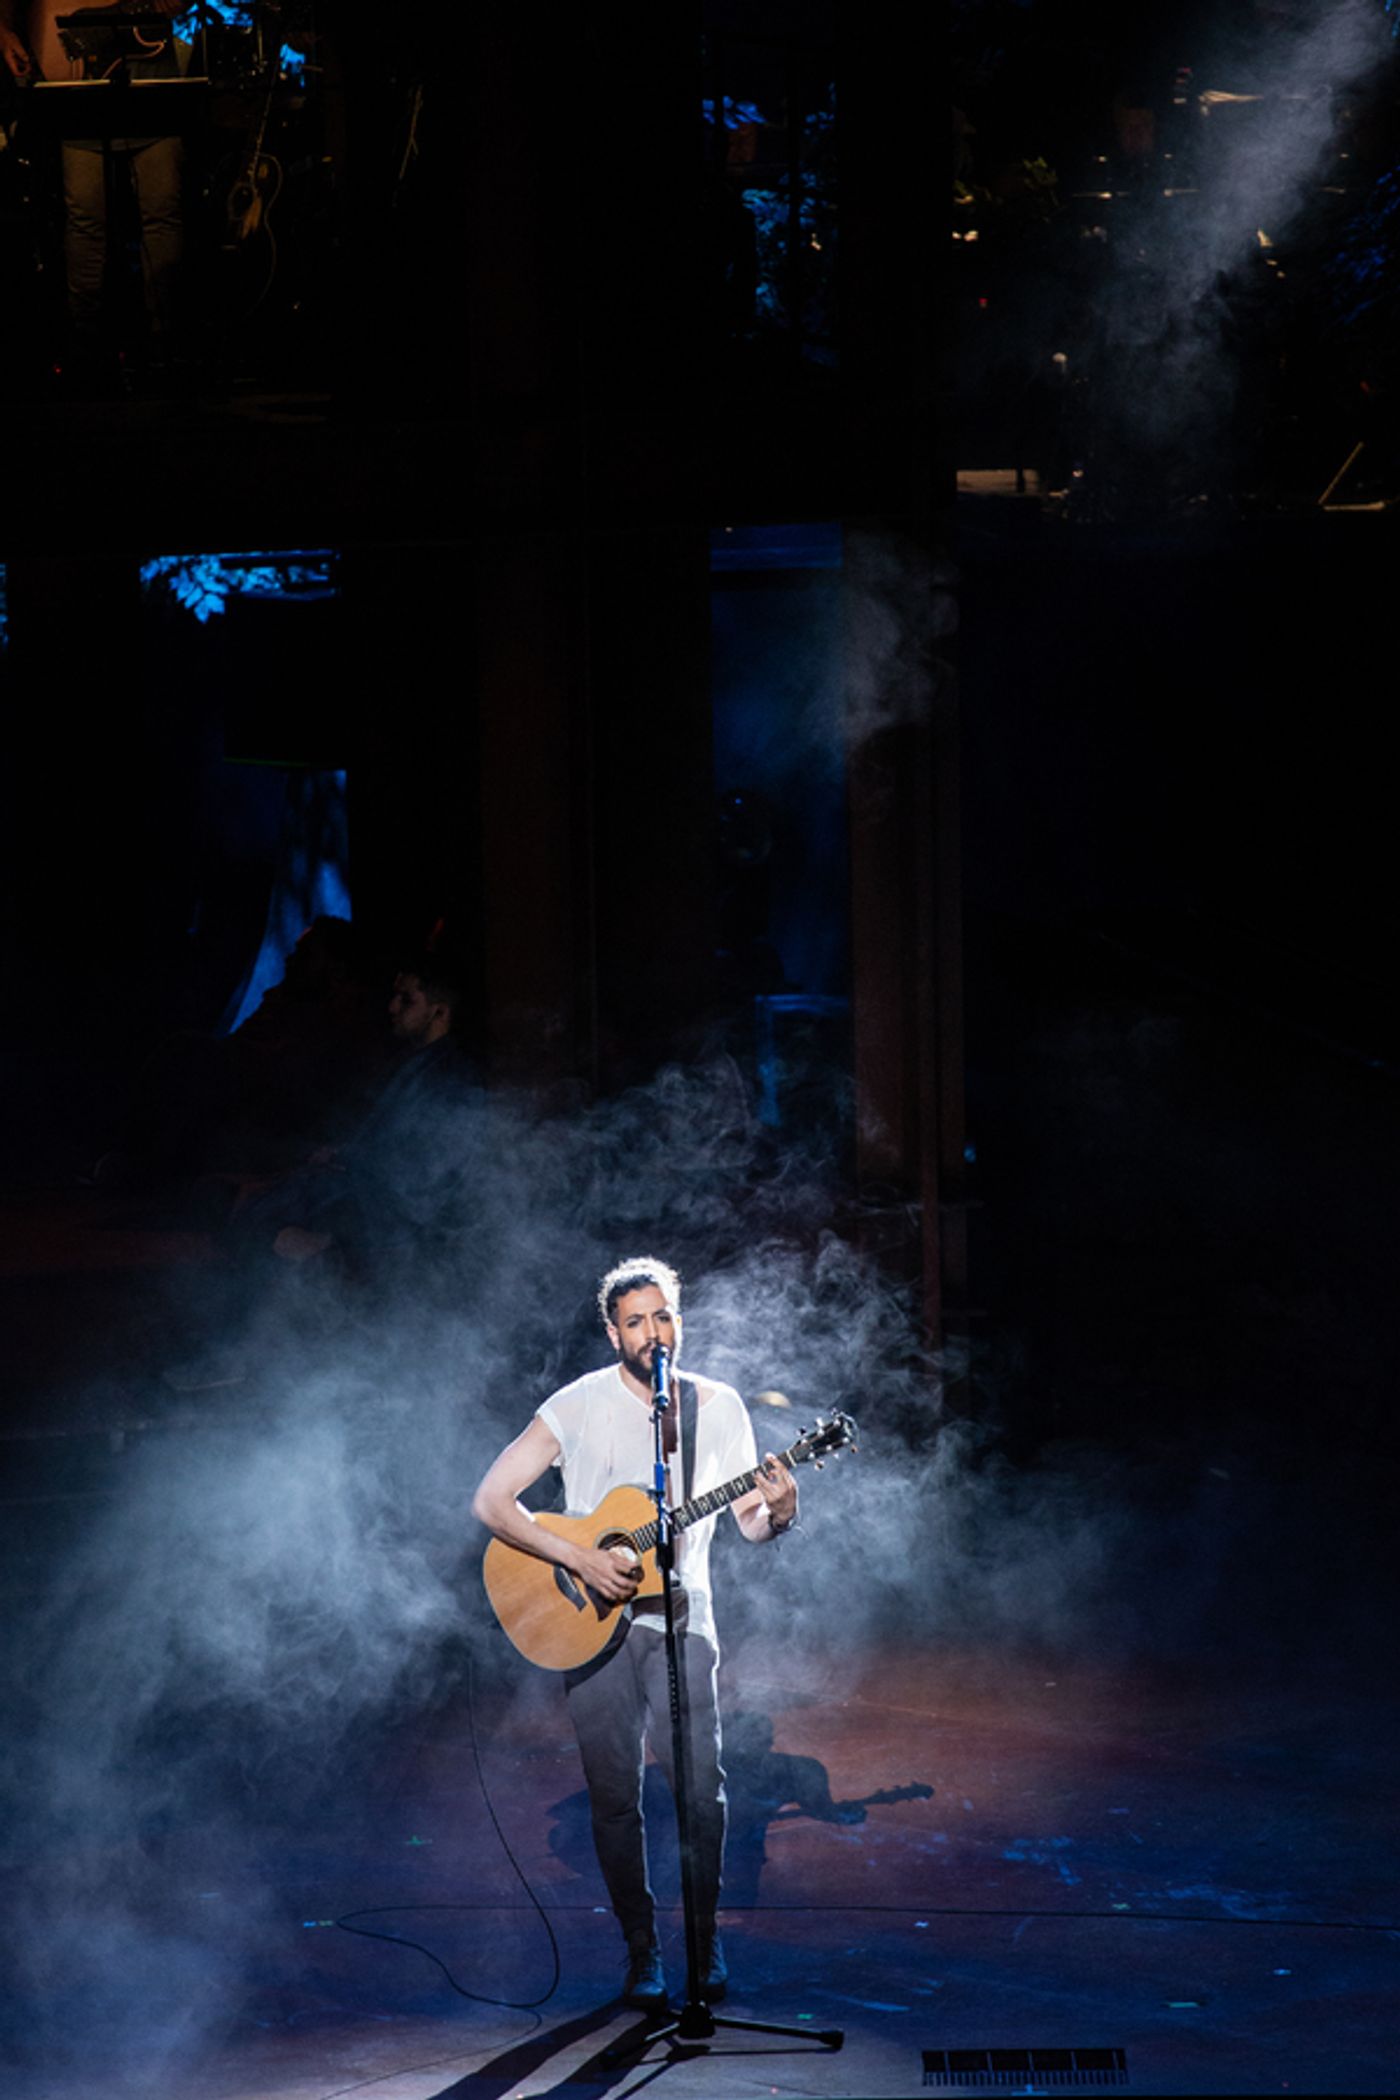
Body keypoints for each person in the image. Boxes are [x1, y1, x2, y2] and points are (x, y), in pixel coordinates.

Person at [471, 1255, 798, 2011]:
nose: (652, 1332)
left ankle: (703, 1939)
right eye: (635, 1321)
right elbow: (492, 1499)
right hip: (590, 1628)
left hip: (686, 1623)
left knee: (700, 1796)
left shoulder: (717, 1407)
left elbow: (751, 1525)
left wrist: (781, 1507)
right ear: (612, 1331)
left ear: (678, 1322)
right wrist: (579, 1555)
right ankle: (642, 1952)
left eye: (663, 1317)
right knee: (615, 1799)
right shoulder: (577, 1404)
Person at [0, 0, 187, 382]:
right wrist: (4, 32)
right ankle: (84, 345)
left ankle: (165, 341)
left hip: (149, 78)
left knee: (161, 208)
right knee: (86, 216)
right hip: (77, 83)